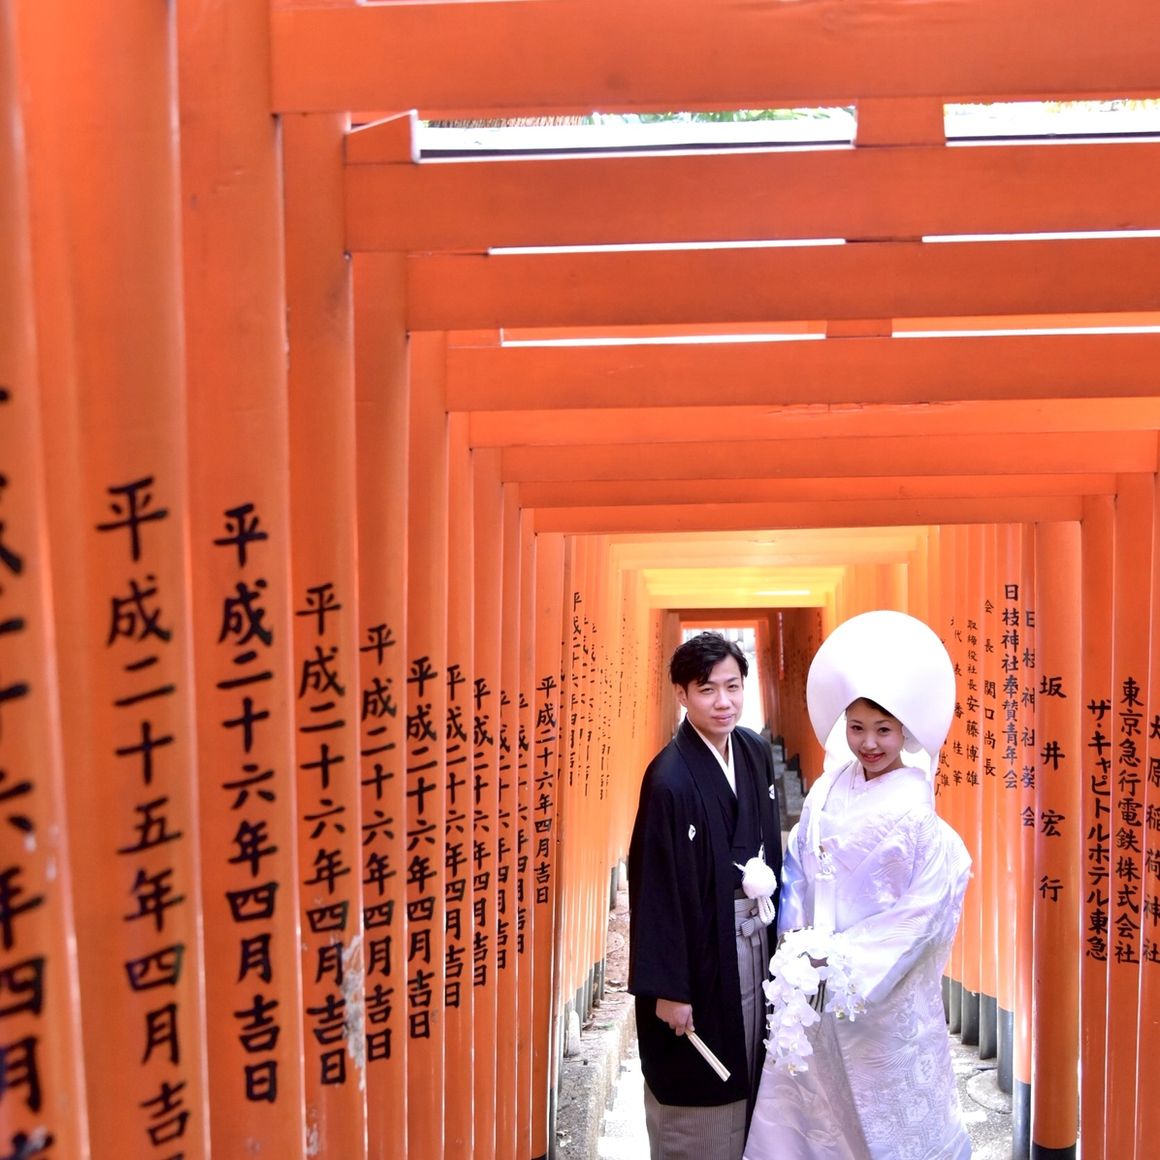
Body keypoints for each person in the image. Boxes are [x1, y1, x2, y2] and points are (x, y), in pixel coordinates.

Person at [744, 610, 972, 1160]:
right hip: (815, 983)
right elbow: (799, 871)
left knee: (884, 1114)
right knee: (810, 1110)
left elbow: (920, 916)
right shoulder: (825, 791)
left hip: (876, 996)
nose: (869, 743)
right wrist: (800, 949)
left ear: (905, 732)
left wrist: (843, 963)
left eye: (883, 730)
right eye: (856, 727)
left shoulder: (919, 820)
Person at [629, 631, 783, 1160]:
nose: (724, 702)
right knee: (703, 1070)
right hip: (700, 950)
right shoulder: (668, 779)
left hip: (755, 935)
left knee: (755, 1060)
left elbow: (770, 846)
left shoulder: (753, 751)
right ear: (681, 694)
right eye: (707, 690)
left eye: (733, 687)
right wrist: (668, 988)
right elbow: (656, 889)